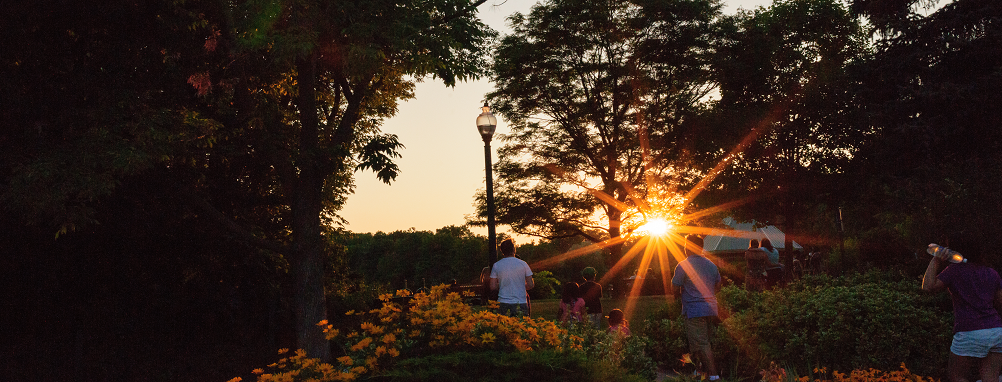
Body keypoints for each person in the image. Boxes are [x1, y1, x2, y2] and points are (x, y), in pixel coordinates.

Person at [922, 233, 1002, 382]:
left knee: (957, 377)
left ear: (955, 252)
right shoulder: (992, 273)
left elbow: (928, 287)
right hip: (997, 331)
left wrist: (936, 258)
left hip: (969, 331)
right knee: (991, 377)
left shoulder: (955, 271)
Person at [671, 235, 722, 381]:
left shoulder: (683, 265)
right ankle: (699, 372)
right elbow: (718, 285)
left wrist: (679, 296)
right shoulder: (711, 265)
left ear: (688, 248)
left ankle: (713, 375)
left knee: (702, 343)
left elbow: (674, 288)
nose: (685, 248)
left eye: (686, 245)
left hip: (694, 310)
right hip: (711, 309)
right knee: (697, 343)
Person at [490, 238, 535, 317]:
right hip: (520, 302)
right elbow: (530, 284)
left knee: (504, 328)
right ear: (514, 249)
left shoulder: (497, 265)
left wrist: (503, 284)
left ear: (502, 251)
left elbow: (492, 286)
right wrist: (519, 285)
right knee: (521, 327)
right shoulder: (523, 264)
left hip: (503, 303)